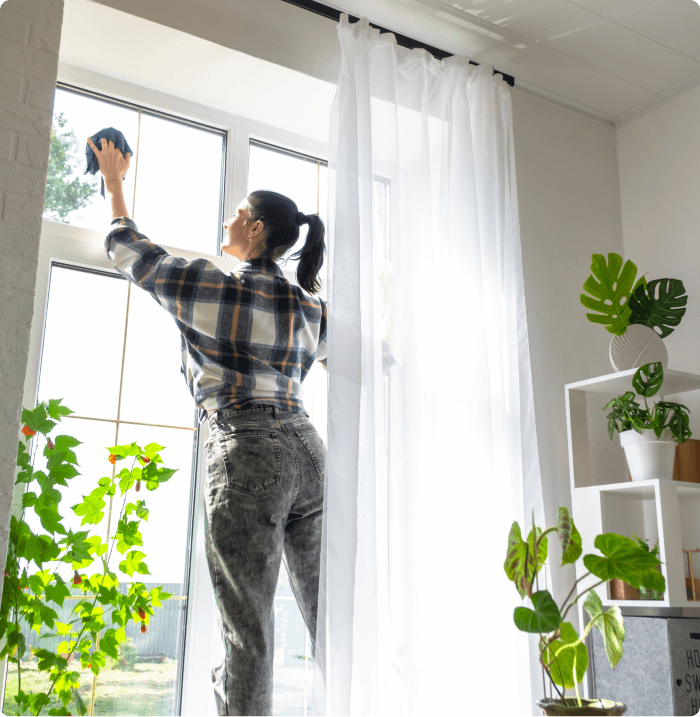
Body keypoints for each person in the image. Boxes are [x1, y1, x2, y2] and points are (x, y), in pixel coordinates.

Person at [87, 136, 328, 717]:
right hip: (308, 452)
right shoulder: (311, 309)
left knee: (249, 631)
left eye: (237, 213)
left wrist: (115, 182)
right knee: (330, 618)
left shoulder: (216, 286)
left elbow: (130, 250)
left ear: (256, 229)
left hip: (248, 451)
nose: (229, 219)